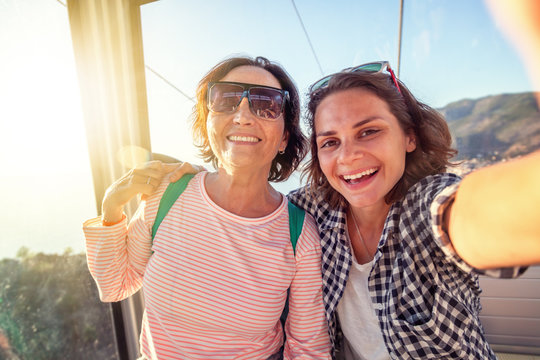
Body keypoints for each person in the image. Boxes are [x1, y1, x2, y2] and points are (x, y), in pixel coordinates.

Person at [171, 61, 540, 359]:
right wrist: (179, 176)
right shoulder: (311, 213)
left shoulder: (424, 207)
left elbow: (469, 215)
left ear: (409, 135)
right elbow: (246, 200)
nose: (348, 157)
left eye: (368, 132)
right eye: (330, 142)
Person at [83, 56, 331, 360]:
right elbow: (115, 285)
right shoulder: (168, 195)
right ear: (206, 123)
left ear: (284, 138)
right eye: (226, 100)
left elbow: (309, 349)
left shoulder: (298, 233)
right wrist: (111, 205)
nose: (242, 115)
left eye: (266, 104)